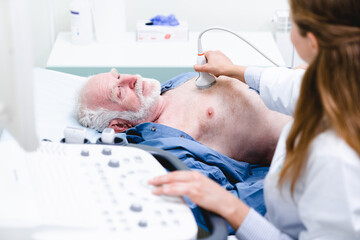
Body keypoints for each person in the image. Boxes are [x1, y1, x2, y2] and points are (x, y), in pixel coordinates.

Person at [149, 0, 360, 239]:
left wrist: (230, 206)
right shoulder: (338, 81)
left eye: (292, 23)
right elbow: (292, 85)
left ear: (311, 41)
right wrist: (233, 69)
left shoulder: (334, 159)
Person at [76, 69, 291, 233]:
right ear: (120, 126)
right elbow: (224, 200)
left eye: (118, 76)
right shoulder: (166, 147)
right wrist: (294, 184)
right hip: (303, 150)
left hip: (311, 101)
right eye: (120, 91)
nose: (131, 78)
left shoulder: (175, 83)